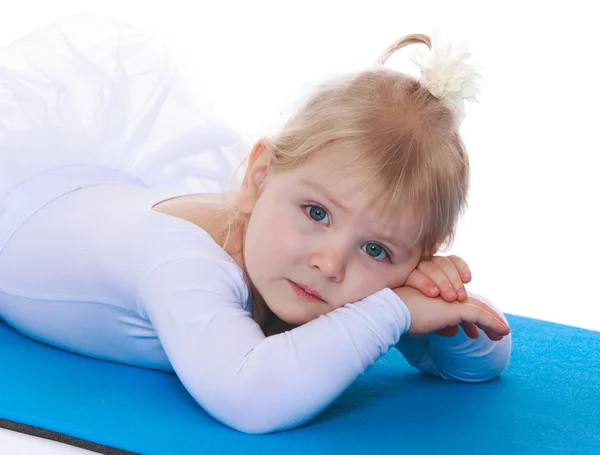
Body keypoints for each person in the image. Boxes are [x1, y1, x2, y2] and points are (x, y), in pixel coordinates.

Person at [0, 15, 511, 434]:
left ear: (419, 253)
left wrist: (440, 306)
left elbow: (482, 361)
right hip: (19, 219)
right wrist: (392, 311)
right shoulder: (184, 266)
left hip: (100, 200)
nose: (331, 263)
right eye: (316, 213)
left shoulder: (310, 265)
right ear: (259, 177)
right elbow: (249, 398)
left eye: (377, 250)